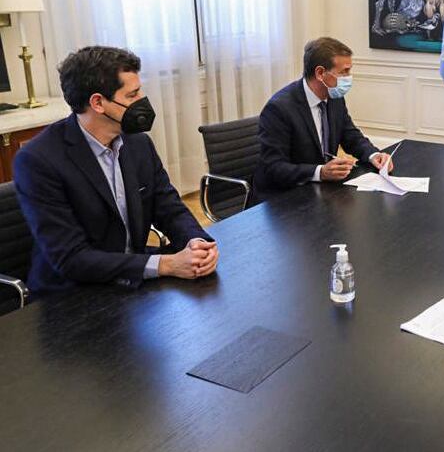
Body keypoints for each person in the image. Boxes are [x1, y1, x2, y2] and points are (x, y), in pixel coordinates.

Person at [14, 46, 218, 294]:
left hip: (133, 280)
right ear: (98, 103)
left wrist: (197, 243)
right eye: (132, 95)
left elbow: (169, 207)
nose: (142, 100)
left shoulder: (138, 143)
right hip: (72, 295)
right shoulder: (38, 160)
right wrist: (166, 264)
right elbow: (71, 259)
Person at [251, 37, 392, 203]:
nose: (348, 77)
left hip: (318, 191)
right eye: (344, 72)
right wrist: (320, 172)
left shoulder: (334, 97)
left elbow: (350, 135)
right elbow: (273, 168)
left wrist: (373, 155)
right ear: (320, 73)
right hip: (281, 198)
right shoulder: (279, 109)